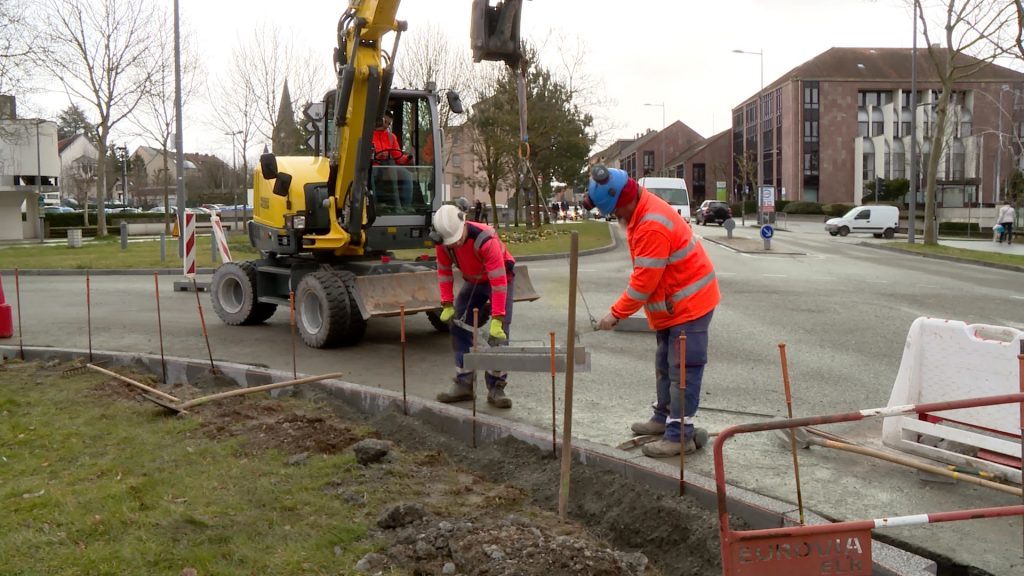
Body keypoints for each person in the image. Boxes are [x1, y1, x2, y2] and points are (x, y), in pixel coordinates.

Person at [585, 164, 720, 458]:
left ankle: (680, 434)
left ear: (624, 203)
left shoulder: (650, 224)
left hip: (690, 305)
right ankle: (663, 418)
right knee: (665, 363)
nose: (618, 219)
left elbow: (644, 282)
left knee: (683, 369)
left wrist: (616, 314)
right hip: (672, 308)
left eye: (616, 214)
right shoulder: (641, 210)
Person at [432, 204, 516, 408]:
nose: (457, 243)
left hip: (500, 277)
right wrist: (447, 303)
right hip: (473, 279)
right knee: (458, 325)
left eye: (458, 238)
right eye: (452, 241)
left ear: (464, 221)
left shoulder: (485, 239)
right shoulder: (443, 242)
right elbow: (444, 272)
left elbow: (498, 282)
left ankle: (496, 387)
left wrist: (497, 318)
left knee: (499, 333)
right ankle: (464, 383)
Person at [372, 110, 414, 208]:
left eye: (389, 123)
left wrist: (408, 158)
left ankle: (406, 206)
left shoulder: (391, 137)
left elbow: (398, 157)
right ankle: (373, 205)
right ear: (379, 120)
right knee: (369, 176)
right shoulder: (368, 135)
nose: (386, 125)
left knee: (407, 175)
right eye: (385, 122)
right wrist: (377, 155)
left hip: (388, 166)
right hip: (373, 166)